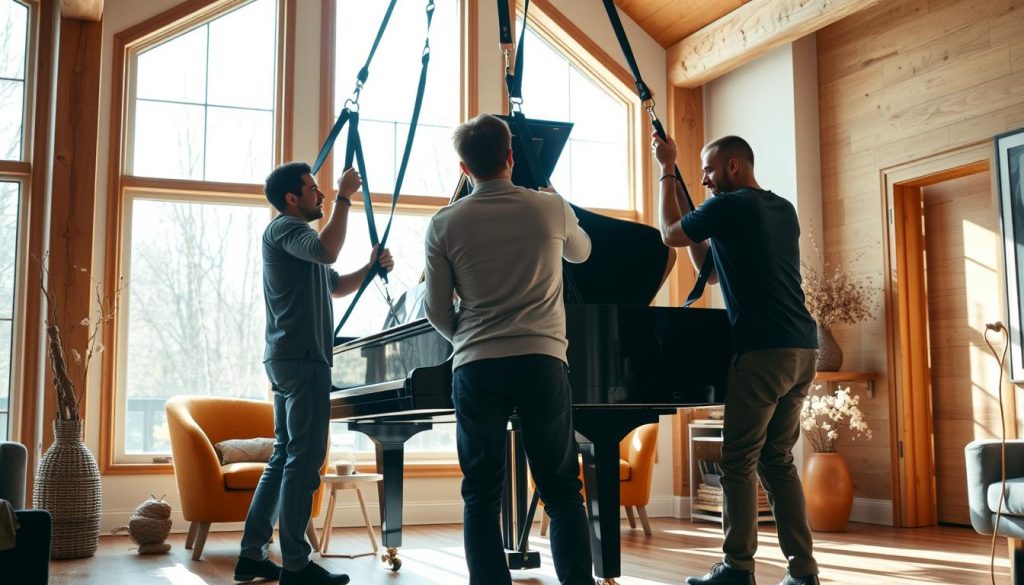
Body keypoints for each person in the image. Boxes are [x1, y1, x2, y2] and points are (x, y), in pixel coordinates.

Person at [423, 114, 594, 585]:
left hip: (476, 366)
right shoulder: (549, 208)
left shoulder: (443, 223)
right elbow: (582, 253)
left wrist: (467, 337)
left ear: (463, 168)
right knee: (561, 489)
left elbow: (437, 308)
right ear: (511, 156)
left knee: (480, 492)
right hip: (542, 362)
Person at [651, 134, 820, 585]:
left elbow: (669, 234)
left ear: (732, 167)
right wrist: (693, 209)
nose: (704, 178)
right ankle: (803, 572)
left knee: (738, 460)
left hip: (763, 350)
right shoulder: (780, 207)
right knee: (777, 460)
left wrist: (667, 168)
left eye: (708, 170)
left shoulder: (730, 207)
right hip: (803, 349)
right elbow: (706, 268)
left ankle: (737, 569)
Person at [234, 162, 394, 585]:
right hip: (303, 359)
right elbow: (328, 251)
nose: (320, 195)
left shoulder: (297, 239)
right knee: (304, 461)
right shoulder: (288, 228)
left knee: (285, 456)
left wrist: (372, 267)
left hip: (291, 357)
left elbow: (335, 283)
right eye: (312, 189)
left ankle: (251, 556)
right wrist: (345, 197)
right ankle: (297, 566)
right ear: (292, 198)